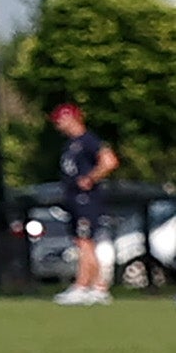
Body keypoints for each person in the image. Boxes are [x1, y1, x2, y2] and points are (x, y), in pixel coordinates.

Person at [52, 103, 121, 304]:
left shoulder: (88, 140)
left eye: (61, 120)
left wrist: (91, 178)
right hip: (74, 198)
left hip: (86, 199)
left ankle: (83, 285)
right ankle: (96, 286)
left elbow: (109, 161)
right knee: (83, 241)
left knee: (85, 242)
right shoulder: (71, 144)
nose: (58, 125)